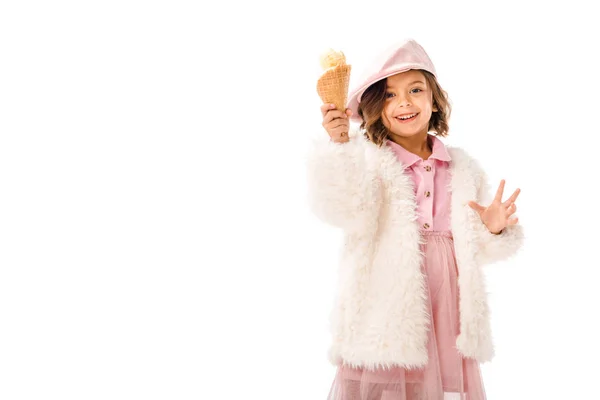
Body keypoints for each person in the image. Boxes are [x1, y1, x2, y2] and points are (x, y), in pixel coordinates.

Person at [306, 38, 525, 400]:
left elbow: (475, 249)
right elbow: (342, 207)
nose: (404, 102)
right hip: (386, 299)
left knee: (438, 384)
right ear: (375, 107)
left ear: (434, 99)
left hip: (447, 305)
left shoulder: (461, 167)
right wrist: (339, 147)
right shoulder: (370, 160)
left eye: (415, 89)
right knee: (389, 381)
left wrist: (494, 228)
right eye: (389, 95)